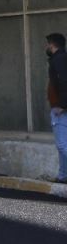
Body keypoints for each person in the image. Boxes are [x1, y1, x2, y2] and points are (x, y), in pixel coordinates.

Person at [45, 32, 67, 183]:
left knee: (62, 145)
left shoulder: (58, 60)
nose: (46, 47)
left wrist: (62, 105)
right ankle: (63, 176)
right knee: (63, 145)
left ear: (52, 45)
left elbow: (64, 81)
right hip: (62, 106)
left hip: (61, 108)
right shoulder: (61, 58)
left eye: (47, 44)